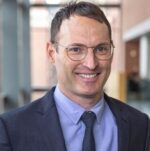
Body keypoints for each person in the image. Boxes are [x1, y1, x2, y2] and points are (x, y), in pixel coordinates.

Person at [0, 1, 149, 151]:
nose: (91, 64)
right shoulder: (11, 130)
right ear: (51, 53)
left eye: (101, 49)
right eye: (76, 49)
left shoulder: (140, 125)